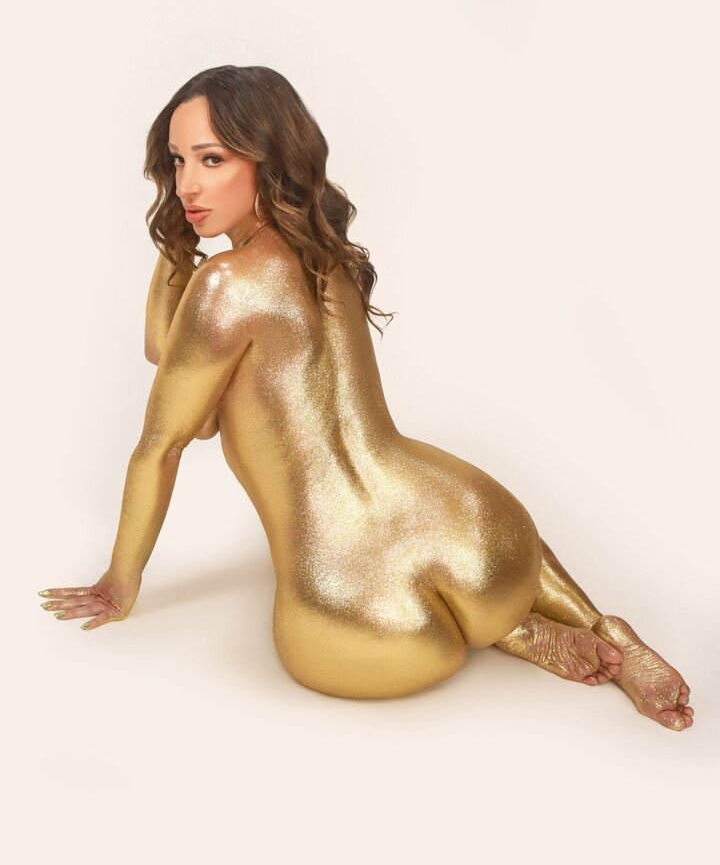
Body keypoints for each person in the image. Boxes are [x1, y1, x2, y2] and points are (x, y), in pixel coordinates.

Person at [37, 65, 693, 730]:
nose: (186, 186)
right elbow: (172, 351)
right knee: (488, 540)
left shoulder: (223, 288)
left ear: (268, 160)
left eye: (212, 159)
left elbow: (165, 441)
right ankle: (589, 628)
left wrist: (120, 582)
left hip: (361, 611)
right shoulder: (328, 256)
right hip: (477, 528)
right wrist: (179, 248)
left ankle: (509, 631)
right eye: (177, 161)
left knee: (324, 646)